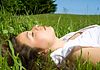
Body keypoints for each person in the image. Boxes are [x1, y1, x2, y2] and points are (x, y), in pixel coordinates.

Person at [13, 24, 100, 68]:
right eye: (32, 34)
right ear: (40, 53)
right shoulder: (73, 54)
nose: (35, 26)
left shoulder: (65, 40)